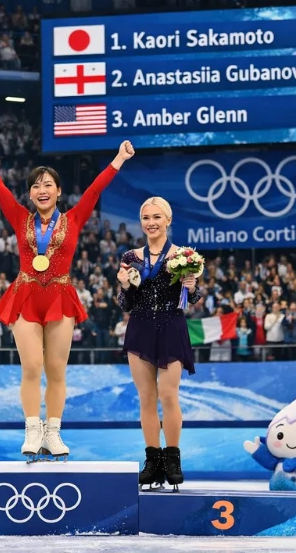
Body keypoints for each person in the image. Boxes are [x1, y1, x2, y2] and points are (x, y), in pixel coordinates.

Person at [0, 134, 135, 460]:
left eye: (48, 185)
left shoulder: (74, 218)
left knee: (56, 370)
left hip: (60, 295)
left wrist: (119, 159)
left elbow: (95, 190)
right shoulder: (19, 218)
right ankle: (32, 428)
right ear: (30, 194)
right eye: (35, 186)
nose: (41, 190)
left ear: (58, 191)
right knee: (31, 367)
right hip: (26, 294)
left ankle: (53, 432)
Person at [116, 197, 199, 489]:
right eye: (146, 218)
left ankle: (172, 458)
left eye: (156, 217)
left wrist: (192, 287)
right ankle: (152, 461)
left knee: (168, 395)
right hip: (140, 328)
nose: (151, 223)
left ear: (168, 220)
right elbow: (125, 303)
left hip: (171, 327)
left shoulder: (184, 256)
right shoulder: (130, 257)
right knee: (147, 398)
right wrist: (125, 285)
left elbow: (191, 300)